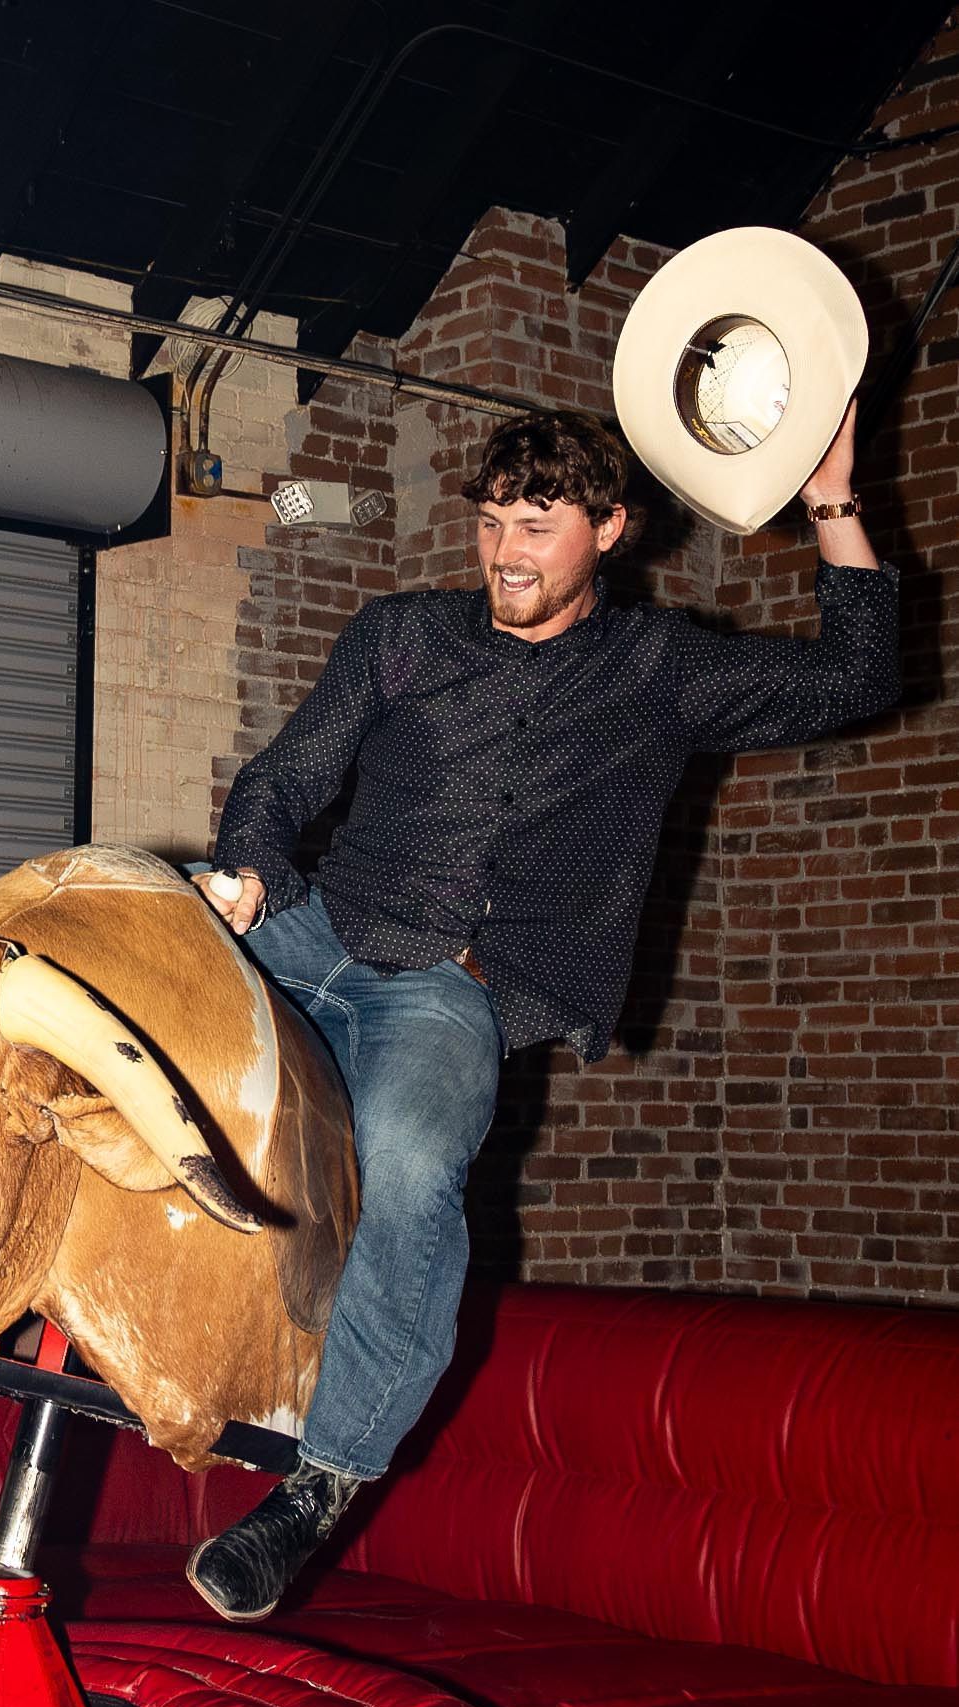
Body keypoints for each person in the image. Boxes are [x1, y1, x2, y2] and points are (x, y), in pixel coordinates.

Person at [187, 401, 898, 1623]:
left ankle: (321, 1483)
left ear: (609, 529)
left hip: (445, 989)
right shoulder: (401, 636)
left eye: (539, 523)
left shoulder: (662, 671)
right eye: (490, 521)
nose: (505, 551)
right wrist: (248, 864)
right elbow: (288, 774)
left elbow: (858, 673)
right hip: (309, 928)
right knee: (105, 935)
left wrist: (829, 496)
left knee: (412, 1164)